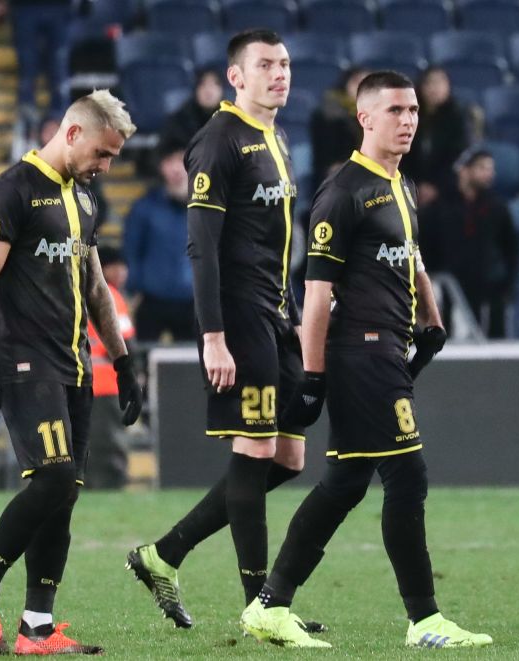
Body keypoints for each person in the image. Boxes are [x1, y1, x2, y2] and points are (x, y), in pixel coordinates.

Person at [239, 71, 493, 650]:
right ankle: (425, 620)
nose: (408, 120)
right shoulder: (344, 192)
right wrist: (312, 375)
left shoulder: (401, 184)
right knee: (407, 475)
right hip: (363, 352)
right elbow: (317, 294)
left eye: (413, 110)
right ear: (365, 118)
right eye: (395, 110)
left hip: (389, 347)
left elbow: (411, 255)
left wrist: (432, 317)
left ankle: (270, 604)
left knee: (345, 482)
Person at [126, 29, 318, 631]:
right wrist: (213, 335)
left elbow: (275, 243)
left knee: (288, 457)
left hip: (277, 312)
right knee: (254, 451)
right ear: (236, 76)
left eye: (285, 64)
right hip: (238, 317)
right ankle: (264, 606)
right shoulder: (218, 140)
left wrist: (294, 314)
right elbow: (202, 247)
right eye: (266, 65)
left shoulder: (277, 136)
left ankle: (163, 553)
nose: (280, 74)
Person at [0, 89, 143, 656]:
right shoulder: (12, 190)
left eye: (113, 157)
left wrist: (123, 362)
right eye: (103, 153)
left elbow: (96, 287)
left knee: (64, 495)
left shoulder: (83, 197)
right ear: (73, 132)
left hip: (75, 364)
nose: (106, 166)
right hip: (24, 361)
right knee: (55, 479)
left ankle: (37, 627)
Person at [419, 148, 519, 338]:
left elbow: (511, 249)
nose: (489, 174)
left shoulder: (497, 208)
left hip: (489, 291)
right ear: (464, 171)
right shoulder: (439, 208)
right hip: (450, 288)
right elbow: (425, 246)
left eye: (490, 169)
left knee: (492, 341)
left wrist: (506, 285)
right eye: (482, 168)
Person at [123, 140, 195, 342]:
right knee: (143, 355)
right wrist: (133, 288)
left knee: (195, 358)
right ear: (161, 166)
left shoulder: (208, 207)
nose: (176, 168)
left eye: (181, 161)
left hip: (194, 301)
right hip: (152, 299)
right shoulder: (144, 207)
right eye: (170, 161)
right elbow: (131, 251)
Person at [0, 0, 73, 160]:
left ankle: (58, 129)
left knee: (59, 73)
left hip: (58, 7)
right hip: (26, 7)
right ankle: (28, 132)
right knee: (28, 72)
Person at [85, 245, 136, 488]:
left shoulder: (73, 292)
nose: (121, 272)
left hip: (76, 384)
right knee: (108, 448)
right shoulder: (111, 296)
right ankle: (111, 488)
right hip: (106, 384)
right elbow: (126, 342)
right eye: (115, 267)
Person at [399, 65, 470, 208]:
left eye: (439, 82)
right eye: (429, 82)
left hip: (447, 188)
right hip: (410, 186)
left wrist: (435, 186)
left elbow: (457, 157)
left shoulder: (458, 117)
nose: (434, 88)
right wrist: (417, 185)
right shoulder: (408, 115)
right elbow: (402, 154)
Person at [309, 66, 370, 190]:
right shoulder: (330, 112)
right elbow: (327, 157)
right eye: (357, 82)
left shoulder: (377, 114)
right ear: (346, 84)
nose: (362, 89)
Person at [159, 67, 224, 149]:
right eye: (202, 84)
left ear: (222, 90)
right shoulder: (180, 121)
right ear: (195, 89)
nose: (208, 90)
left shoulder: (231, 119)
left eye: (215, 84)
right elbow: (164, 150)